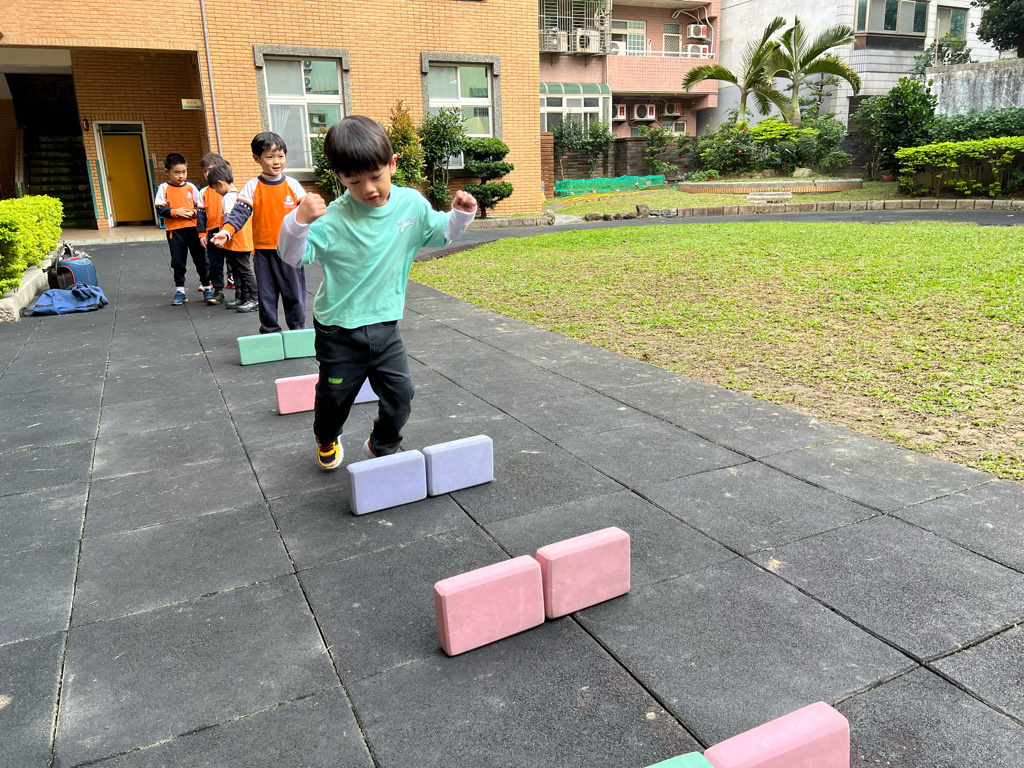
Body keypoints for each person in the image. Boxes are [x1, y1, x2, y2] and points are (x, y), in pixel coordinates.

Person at [277, 115, 477, 470]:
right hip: (339, 330)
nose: (369, 188)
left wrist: (460, 215)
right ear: (339, 177)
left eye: (376, 176)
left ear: (392, 164)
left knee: (402, 395)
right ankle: (326, 436)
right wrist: (298, 221)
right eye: (355, 181)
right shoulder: (332, 219)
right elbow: (292, 256)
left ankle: (382, 443)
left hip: (385, 325)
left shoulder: (410, 204)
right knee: (334, 399)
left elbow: (441, 233)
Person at [211, 132, 307, 333]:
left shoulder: (293, 185)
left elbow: (308, 213)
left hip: (291, 251)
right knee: (267, 296)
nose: (276, 161)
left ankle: (299, 330)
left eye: (280, 156)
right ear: (257, 158)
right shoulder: (253, 186)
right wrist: (226, 232)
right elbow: (239, 213)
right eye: (270, 157)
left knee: (295, 294)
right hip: (264, 252)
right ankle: (270, 331)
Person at [154, 153, 210, 306]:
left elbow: (201, 207)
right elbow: (160, 208)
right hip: (175, 231)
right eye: (176, 172)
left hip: (194, 230)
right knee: (178, 262)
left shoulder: (191, 187)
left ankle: (207, 287)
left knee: (202, 260)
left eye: (184, 172)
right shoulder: (164, 188)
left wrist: (193, 212)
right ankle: (180, 291)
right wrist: (175, 212)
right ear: (168, 172)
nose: (181, 176)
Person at [204, 163, 259, 313]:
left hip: (236, 242)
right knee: (240, 270)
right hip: (243, 240)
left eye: (215, 188)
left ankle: (255, 299)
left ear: (220, 183)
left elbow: (230, 220)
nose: (216, 192)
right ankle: (244, 297)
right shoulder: (241, 196)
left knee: (244, 271)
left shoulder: (228, 198)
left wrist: (224, 238)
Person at [197, 152, 228, 304]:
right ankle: (218, 290)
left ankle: (241, 291)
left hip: (228, 230)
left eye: (210, 170)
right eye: (204, 171)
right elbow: (201, 215)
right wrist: (201, 234)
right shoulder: (203, 192)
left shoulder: (227, 189)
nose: (207, 174)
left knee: (235, 262)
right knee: (215, 263)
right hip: (212, 231)